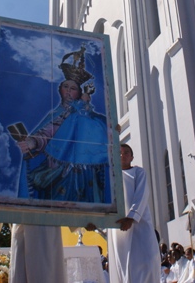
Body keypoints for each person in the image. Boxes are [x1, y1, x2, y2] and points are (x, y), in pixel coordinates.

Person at [15, 46, 111, 203]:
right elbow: (49, 131)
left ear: (79, 93)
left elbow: (97, 132)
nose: (68, 91)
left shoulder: (89, 116)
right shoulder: (55, 115)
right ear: (60, 89)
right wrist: (33, 141)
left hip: (83, 173)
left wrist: (85, 109)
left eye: (73, 88)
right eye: (66, 86)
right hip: (59, 172)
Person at [108, 143, 159, 282]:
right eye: (119, 152)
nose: (122, 155)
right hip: (118, 226)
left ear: (131, 157)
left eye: (126, 153)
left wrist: (131, 217)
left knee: (146, 261)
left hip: (138, 223)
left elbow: (141, 195)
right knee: (123, 263)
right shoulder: (110, 175)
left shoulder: (138, 172)